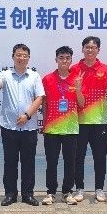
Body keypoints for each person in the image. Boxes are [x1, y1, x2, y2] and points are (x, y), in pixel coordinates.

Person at [0, 43, 45, 206]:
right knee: (10, 162)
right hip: (9, 127)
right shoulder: (5, 75)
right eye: (18, 55)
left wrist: (27, 115)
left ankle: (28, 194)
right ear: (13, 57)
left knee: (28, 162)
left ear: (29, 58)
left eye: (24, 55)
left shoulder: (34, 76)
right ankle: (10, 194)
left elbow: (40, 98)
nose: (21, 58)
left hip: (29, 127)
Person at [41, 46, 83, 205]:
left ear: (71, 60)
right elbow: (43, 103)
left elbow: (81, 103)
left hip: (71, 128)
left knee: (70, 162)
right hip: (52, 128)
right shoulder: (47, 79)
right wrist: (45, 123)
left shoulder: (77, 78)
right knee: (51, 162)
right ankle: (50, 192)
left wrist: (78, 89)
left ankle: (67, 192)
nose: (64, 60)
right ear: (56, 59)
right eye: (61, 57)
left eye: (67, 58)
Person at [72, 36, 107, 203]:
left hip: (99, 120)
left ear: (98, 50)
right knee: (78, 157)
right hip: (78, 121)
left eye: (93, 47)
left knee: (100, 157)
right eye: (87, 47)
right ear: (82, 49)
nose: (90, 50)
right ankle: (79, 188)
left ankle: (99, 189)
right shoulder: (74, 69)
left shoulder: (105, 69)